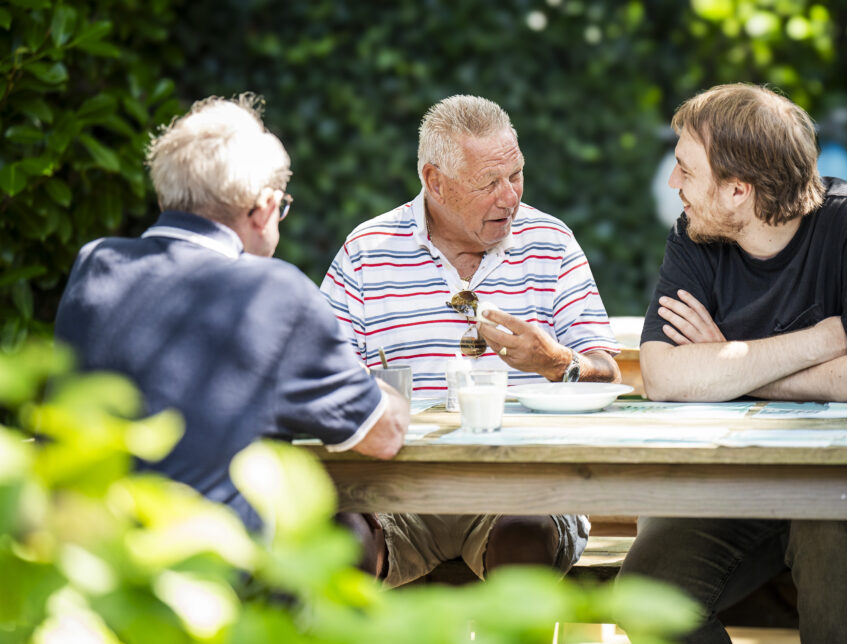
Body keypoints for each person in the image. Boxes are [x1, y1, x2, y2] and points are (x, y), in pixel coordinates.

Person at [619, 84, 847, 644]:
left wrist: (728, 367)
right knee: (647, 590)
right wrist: (821, 341)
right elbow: (663, 375)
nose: (673, 183)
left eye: (686, 169)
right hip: (744, 486)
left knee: (828, 531)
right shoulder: (695, 235)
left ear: (738, 190)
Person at [55, 95, 409, 571]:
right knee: (346, 536)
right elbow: (384, 436)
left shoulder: (96, 262)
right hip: (212, 575)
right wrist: (387, 390)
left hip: (87, 559)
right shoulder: (273, 291)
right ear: (263, 208)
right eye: (282, 208)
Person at [320, 94, 621, 586]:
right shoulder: (367, 251)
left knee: (525, 535)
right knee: (342, 540)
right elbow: (324, 381)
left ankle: (516, 643)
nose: (510, 197)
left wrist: (555, 361)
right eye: (489, 183)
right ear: (434, 181)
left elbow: (606, 371)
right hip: (396, 492)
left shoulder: (551, 242)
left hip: (523, 488)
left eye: (516, 175)